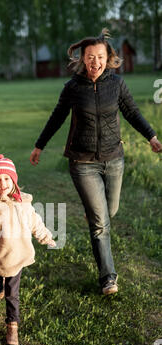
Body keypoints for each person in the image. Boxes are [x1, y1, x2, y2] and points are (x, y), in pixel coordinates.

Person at [30, 28, 162, 295]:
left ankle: (98, 223)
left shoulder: (117, 84)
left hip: (114, 159)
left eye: (99, 56)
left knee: (108, 213)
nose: (95, 62)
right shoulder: (73, 88)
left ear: (107, 58)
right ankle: (108, 278)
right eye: (89, 57)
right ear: (82, 59)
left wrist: (152, 137)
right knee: (101, 222)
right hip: (82, 162)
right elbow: (57, 117)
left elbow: (132, 112)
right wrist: (39, 146)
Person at [0, 153, 56, 345]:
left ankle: (12, 327)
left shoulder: (23, 204)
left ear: (14, 180)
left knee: (12, 294)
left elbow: (36, 223)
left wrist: (46, 237)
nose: (3, 183)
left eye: (7, 178)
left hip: (17, 256)